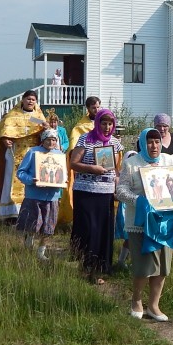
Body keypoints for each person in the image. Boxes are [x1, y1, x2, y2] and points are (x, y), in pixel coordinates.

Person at [116, 128, 173, 321]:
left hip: (166, 222)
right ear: (142, 143)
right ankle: (136, 300)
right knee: (143, 266)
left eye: (157, 141)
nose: (154, 145)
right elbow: (121, 190)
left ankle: (154, 305)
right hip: (140, 222)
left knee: (163, 265)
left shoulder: (170, 161)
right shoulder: (132, 163)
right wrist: (138, 200)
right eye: (149, 142)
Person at [70, 108, 123, 283]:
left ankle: (100, 269)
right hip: (85, 191)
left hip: (106, 192)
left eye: (110, 124)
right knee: (88, 228)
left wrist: (117, 188)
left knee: (103, 231)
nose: (107, 127)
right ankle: (85, 266)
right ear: (97, 123)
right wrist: (91, 168)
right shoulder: (85, 139)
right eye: (104, 123)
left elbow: (115, 168)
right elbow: (73, 163)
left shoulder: (115, 143)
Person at [0, 90, 47, 221]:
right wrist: (4, 140)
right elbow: (1, 132)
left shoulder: (37, 117)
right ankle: (10, 214)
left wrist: (46, 128)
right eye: (28, 99)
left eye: (33, 99)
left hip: (33, 154)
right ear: (23, 100)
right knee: (11, 181)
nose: (30, 101)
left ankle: (29, 212)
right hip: (15, 153)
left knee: (30, 181)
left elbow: (44, 134)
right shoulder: (13, 115)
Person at [15, 129, 65, 261]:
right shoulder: (33, 152)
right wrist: (31, 180)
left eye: (54, 140)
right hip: (34, 196)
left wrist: (63, 181)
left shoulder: (59, 155)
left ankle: (41, 253)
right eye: (48, 139)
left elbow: (62, 174)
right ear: (43, 140)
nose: (51, 142)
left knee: (49, 226)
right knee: (31, 224)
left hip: (52, 196)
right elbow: (20, 172)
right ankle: (28, 247)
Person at [58, 96, 100, 229]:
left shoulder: (104, 122)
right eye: (94, 107)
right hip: (86, 164)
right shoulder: (80, 127)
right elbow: (73, 146)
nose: (97, 110)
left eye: (98, 107)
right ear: (88, 109)